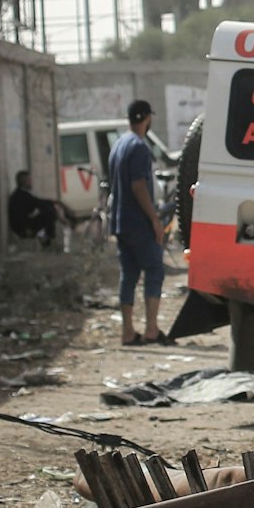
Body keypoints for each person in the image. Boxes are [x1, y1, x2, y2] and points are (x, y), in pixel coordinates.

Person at [110, 100, 170, 346]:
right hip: (138, 223)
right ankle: (151, 329)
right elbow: (138, 187)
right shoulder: (139, 147)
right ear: (146, 118)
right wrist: (154, 219)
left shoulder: (119, 144)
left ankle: (127, 331)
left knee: (129, 274)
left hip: (120, 221)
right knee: (154, 270)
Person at [7, 170, 65, 247]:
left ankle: (47, 238)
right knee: (49, 211)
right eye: (29, 180)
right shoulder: (20, 195)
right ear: (23, 182)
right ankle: (48, 239)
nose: (31, 182)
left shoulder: (24, 193)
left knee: (49, 209)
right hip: (22, 227)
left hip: (26, 222)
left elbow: (39, 203)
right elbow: (39, 203)